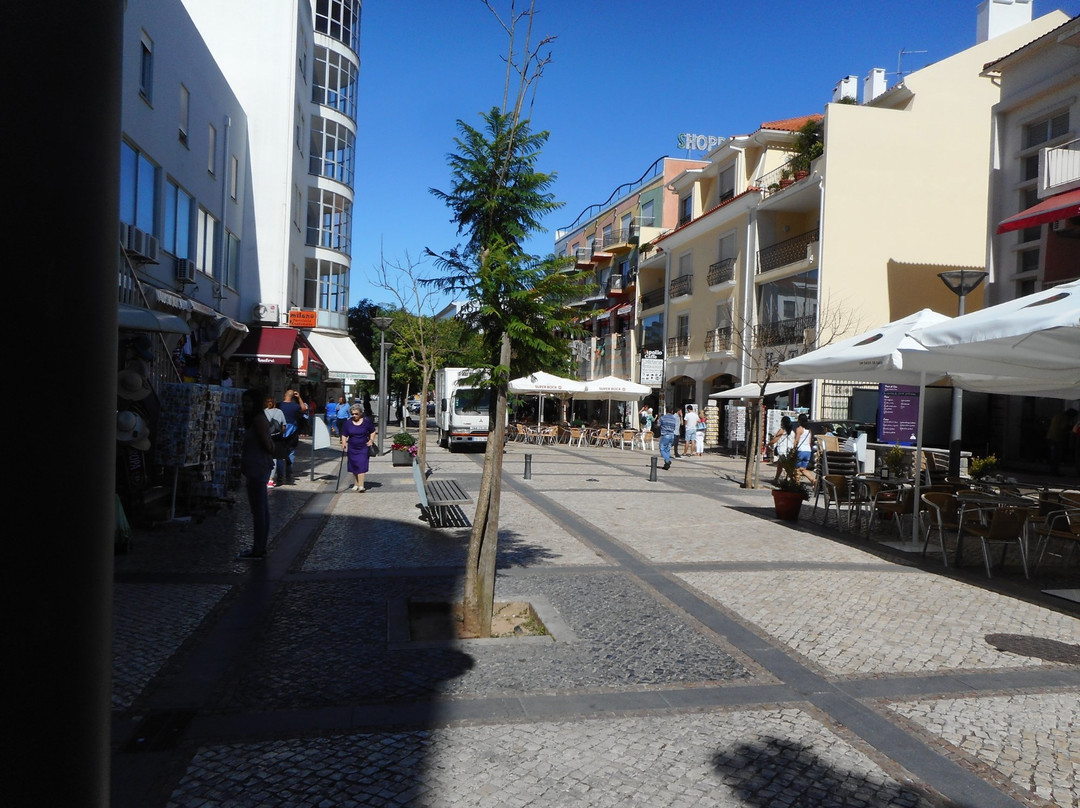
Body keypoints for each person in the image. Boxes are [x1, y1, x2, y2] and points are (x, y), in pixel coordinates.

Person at [238, 389, 274, 560]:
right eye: (244, 401)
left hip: (257, 468)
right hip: (257, 467)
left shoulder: (258, 420)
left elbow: (268, 444)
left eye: (249, 401)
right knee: (261, 509)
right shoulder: (257, 419)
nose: (246, 404)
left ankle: (258, 549)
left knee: (258, 510)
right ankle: (260, 546)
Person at [340, 404, 375, 492]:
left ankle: (361, 485)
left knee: (361, 465)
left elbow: (373, 431)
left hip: (363, 447)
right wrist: (343, 443)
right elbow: (344, 434)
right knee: (354, 466)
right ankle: (356, 484)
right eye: (353, 414)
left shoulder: (366, 422)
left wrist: (371, 440)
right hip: (352, 447)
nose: (354, 416)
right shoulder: (348, 423)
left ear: (360, 413)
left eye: (356, 414)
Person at [277, 389, 307, 483]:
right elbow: (304, 409)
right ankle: (289, 473)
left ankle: (280, 475)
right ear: (293, 396)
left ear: (285, 395)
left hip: (280, 431)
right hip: (292, 432)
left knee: (280, 454)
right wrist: (299, 398)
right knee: (291, 453)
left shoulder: (279, 405)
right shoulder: (295, 406)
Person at [264, 396, 287, 487]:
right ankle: (271, 480)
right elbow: (284, 426)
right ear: (274, 403)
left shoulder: (263, 412)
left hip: (265, 438)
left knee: (265, 457)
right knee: (274, 459)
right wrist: (281, 433)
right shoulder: (279, 412)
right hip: (277, 439)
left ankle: (265, 477)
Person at [767, 415, 794, 485]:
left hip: (782, 451)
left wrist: (767, 444)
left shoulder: (782, 431)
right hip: (789, 450)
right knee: (780, 465)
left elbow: (775, 440)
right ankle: (776, 479)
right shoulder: (792, 432)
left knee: (785, 466)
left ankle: (793, 479)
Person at [793, 413, 815, 485]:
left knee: (796, 468)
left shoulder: (799, 429)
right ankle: (813, 480)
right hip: (808, 451)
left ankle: (797, 483)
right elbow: (809, 441)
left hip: (800, 450)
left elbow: (796, 440)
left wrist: (793, 449)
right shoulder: (809, 430)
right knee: (803, 469)